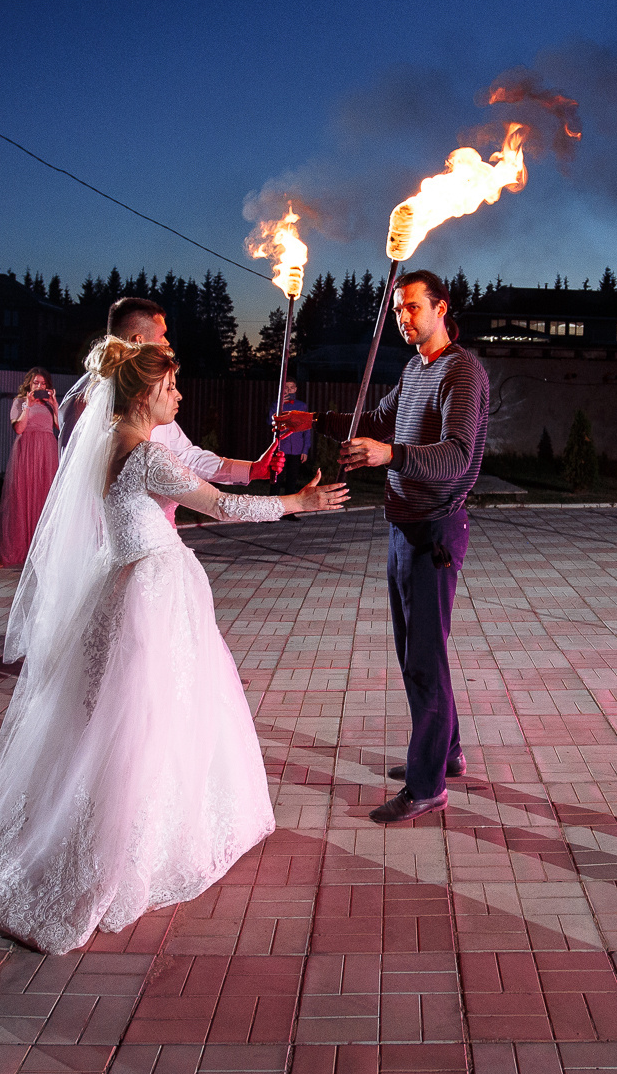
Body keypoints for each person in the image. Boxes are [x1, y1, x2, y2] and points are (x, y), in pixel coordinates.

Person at [0, 337, 346, 951]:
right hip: (154, 592)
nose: (180, 396)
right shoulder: (148, 456)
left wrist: (260, 469)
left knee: (115, 717)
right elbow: (223, 509)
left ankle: (106, 826)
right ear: (149, 392)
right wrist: (301, 501)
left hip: (126, 581)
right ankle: (123, 845)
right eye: (174, 388)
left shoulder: (112, 442)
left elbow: (209, 476)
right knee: (145, 718)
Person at [283, 270, 489, 825]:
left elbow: (456, 455)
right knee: (416, 652)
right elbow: (376, 420)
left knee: (424, 656)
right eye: (399, 309)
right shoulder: (416, 367)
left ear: (441, 307)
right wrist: (316, 419)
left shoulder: (461, 372)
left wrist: (390, 456)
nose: (404, 318)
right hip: (402, 525)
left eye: (413, 308)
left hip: (435, 530)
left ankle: (427, 787)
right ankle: (446, 754)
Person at [57, 297, 285, 490]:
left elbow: (186, 456)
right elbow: (76, 476)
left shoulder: (152, 396)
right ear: (139, 341)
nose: (168, 343)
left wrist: (252, 469)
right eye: (162, 335)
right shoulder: (87, 398)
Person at [0, 368, 60, 565]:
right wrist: (28, 405)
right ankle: (25, 547)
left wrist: (55, 405)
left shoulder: (49, 405)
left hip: (47, 452)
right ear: (29, 384)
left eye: (43, 384)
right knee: (25, 496)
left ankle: (46, 547)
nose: (39, 387)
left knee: (45, 496)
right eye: (36, 383)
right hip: (27, 452)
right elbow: (19, 428)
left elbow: (61, 429)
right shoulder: (19, 402)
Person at [271, 378, 315, 501]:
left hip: (296, 449)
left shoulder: (302, 406)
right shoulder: (277, 405)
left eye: (291, 388)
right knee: (276, 480)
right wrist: (279, 405)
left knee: (292, 480)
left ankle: (289, 511)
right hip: (280, 448)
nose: (289, 390)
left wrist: (305, 450)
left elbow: (307, 428)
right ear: (282, 389)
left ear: (295, 389)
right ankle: (271, 511)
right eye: (286, 387)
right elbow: (270, 421)